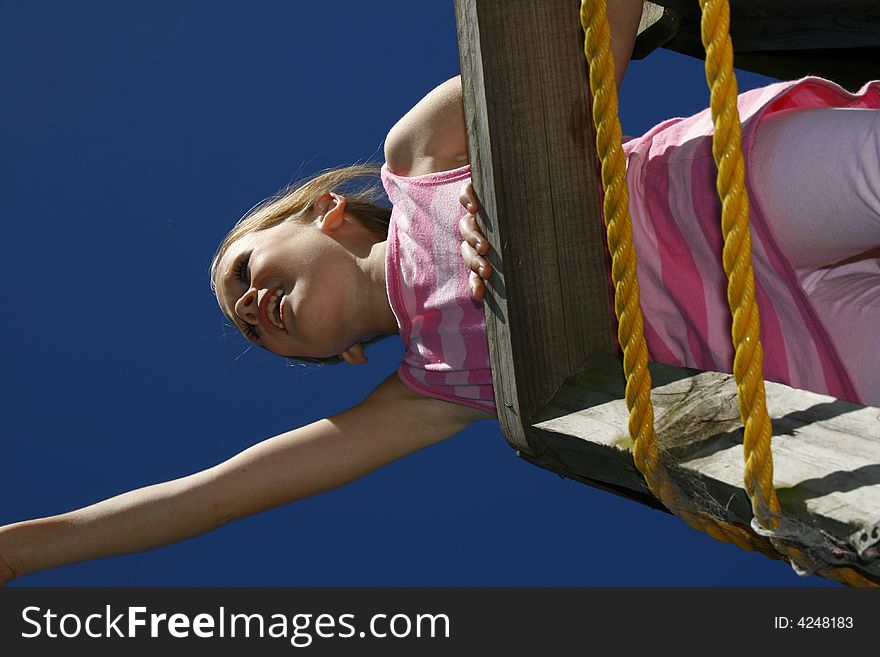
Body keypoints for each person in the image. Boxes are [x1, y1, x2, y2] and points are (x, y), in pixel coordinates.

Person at [2, 1, 878, 586]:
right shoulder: (433, 388)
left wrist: (514, 190)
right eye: (254, 332)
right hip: (799, 355)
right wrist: (20, 551)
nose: (249, 308)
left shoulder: (419, 157)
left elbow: (571, 53)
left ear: (326, 213)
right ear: (340, 357)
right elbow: (212, 495)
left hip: (728, 195)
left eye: (243, 274)